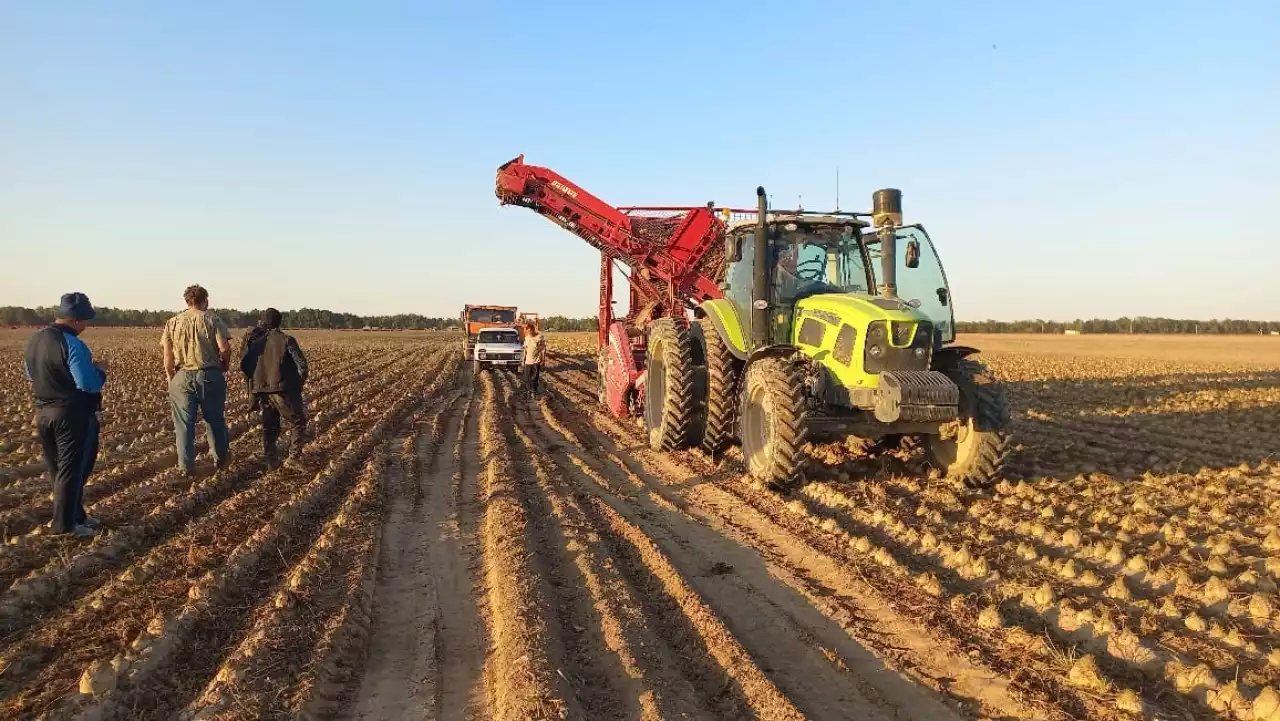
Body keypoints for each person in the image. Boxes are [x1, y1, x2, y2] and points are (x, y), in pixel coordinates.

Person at [23, 293, 107, 538]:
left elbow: (30, 374)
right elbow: (87, 383)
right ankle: (64, 527)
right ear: (77, 319)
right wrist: (101, 371)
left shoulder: (35, 339)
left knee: (58, 469)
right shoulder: (71, 343)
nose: (86, 325)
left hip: (43, 414)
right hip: (71, 415)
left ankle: (76, 515)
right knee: (73, 470)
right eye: (85, 320)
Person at [161, 284, 232, 475]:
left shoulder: (172, 322)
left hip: (181, 376)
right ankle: (221, 462)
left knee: (183, 424)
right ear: (205, 300)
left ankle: (186, 468)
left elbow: (167, 356)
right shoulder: (212, 318)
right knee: (214, 420)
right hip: (208, 374)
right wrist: (223, 365)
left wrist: (170, 376)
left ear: (187, 301)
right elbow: (224, 348)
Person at [239, 308, 309, 470]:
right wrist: (298, 385)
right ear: (279, 322)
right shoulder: (287, 340)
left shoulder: (256, 343)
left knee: (270, 425)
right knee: (299, 421)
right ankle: (293, 458)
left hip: (262, 391)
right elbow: (303, 367)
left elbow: (246, 367)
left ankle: (271, 460)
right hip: (282, 389)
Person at [521, 322, 547, 398]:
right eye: (527, 331)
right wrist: (523, 360)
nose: (528, 333)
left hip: (536, 361)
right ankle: (528, 391)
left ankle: (533, 392)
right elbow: (525, 349)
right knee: (526, 378)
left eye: (529, 331)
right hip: (528, 361)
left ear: (533, 330)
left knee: (534, 378)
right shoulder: (527, 338)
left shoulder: (539, 337)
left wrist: (543, 359)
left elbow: (543, 349)